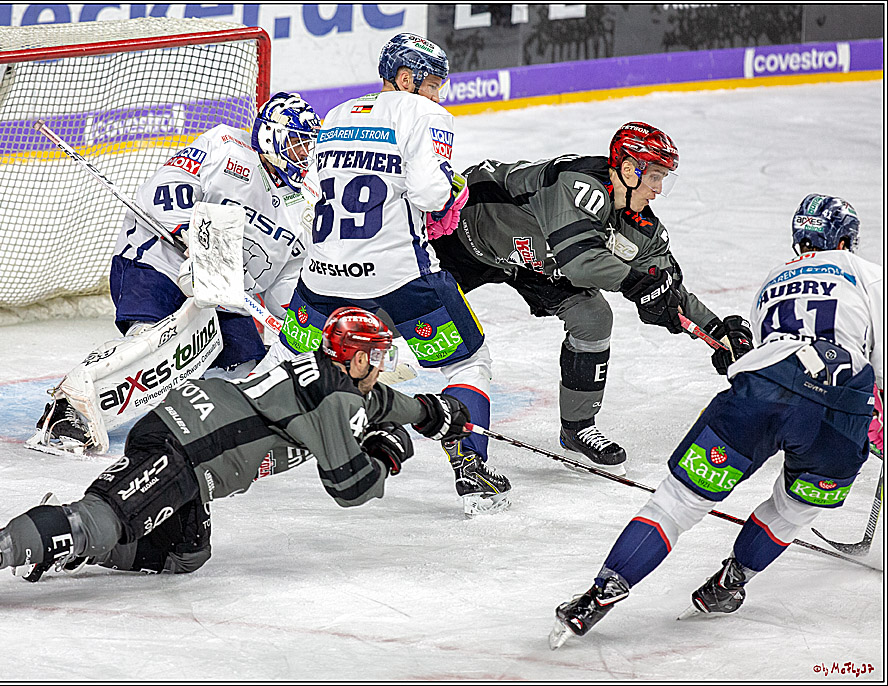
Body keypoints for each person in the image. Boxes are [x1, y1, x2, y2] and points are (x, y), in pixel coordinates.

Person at [0, 307, 474, 618]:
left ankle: (70, 540)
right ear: (353, 357)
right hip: (187, 448)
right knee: (104, 520)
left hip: (185, 430)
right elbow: (349, 485)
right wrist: (387, 455)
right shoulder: (337, 397)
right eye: (375, 355)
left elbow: (378, 403)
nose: (382, 363)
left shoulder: (329, 378)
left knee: (184, 553)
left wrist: (432, 412)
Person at [548, 194, 882, 649]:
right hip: (840, 413)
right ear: (845, 239)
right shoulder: (867, 273)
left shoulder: (775, 279)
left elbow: (773, 353)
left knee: (673, 506)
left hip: (761, 394)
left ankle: (598, 596)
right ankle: (730, 581)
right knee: (794, 509)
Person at [252, 33, 511, 516]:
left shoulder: (335, 116)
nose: (438, 95)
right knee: (466, 363)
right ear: (406, 79)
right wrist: (453, 191)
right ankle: (469, 463)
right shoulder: (425, 114)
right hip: (402, 280)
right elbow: (432, 194)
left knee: (285, 357)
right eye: (432, 83)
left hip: (323, 278)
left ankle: (241, 443)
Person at [428, 122, 749, 476]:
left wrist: (718, 334)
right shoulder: (579, 184)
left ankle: (577, 427)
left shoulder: (640, 226)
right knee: (389, 313)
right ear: (628, 169)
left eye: (663, 179)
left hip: (530, 262)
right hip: (459, 230)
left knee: (594, 316)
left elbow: (667, 290)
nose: (658, 190)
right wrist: (637, 284)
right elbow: (580, 262)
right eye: (655, 177)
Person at [30, 92, 321, 454]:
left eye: (308, 146)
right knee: (154, 343)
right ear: (270, 138)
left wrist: (305, 322)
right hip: (159, 262)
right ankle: (69, 407)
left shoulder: (307, 203)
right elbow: (164, 191)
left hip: (223, 293)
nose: (303, 155)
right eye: (296, 144)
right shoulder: (225, 147)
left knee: (244, 368)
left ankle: (200, 425)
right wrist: (200, 246)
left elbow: (286, 282)